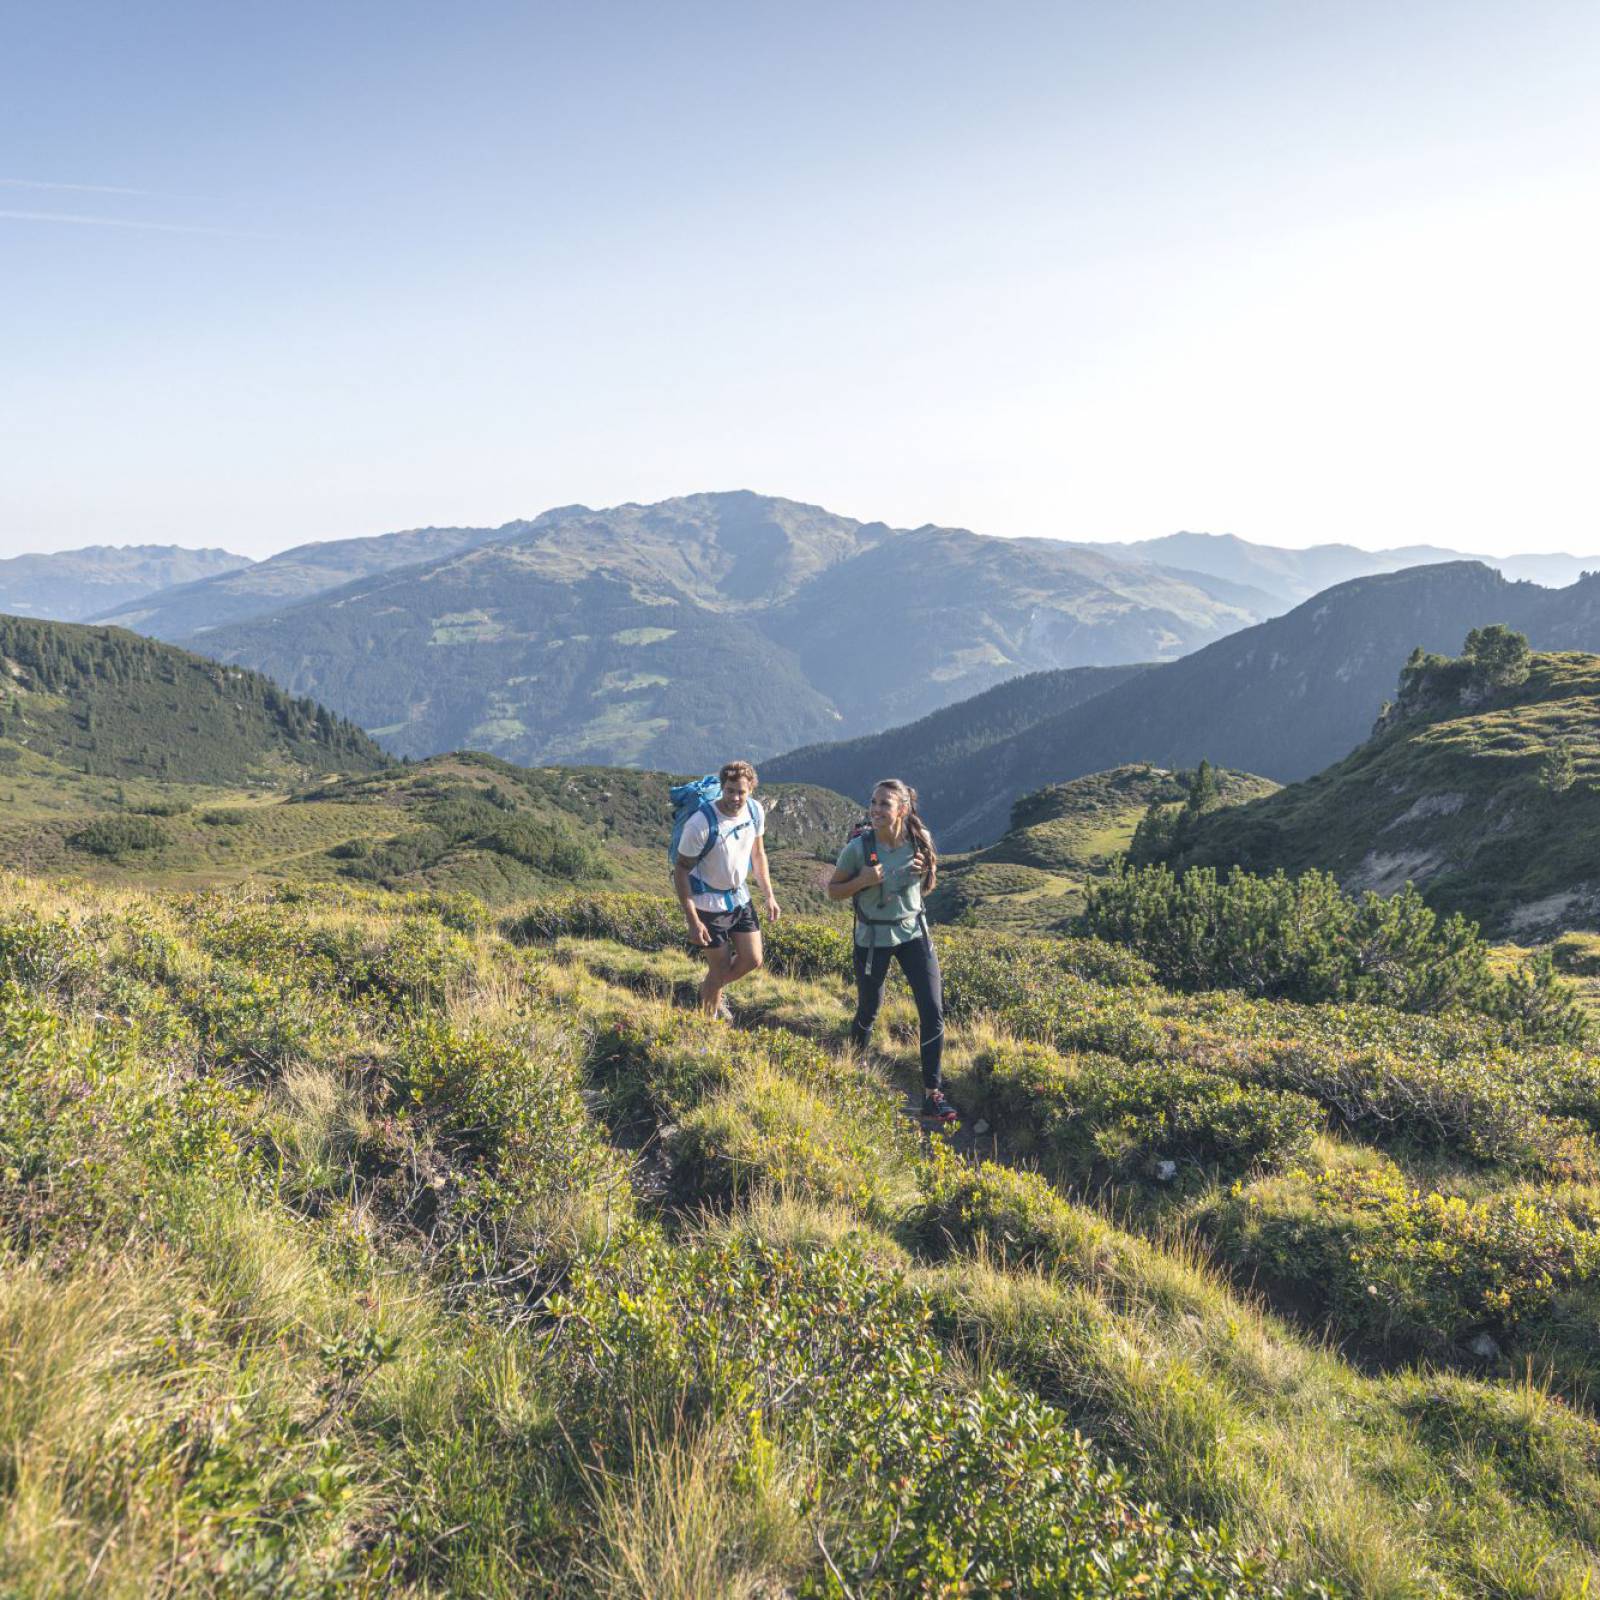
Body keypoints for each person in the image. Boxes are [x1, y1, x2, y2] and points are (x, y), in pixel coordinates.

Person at [826, 778, 956, 1124]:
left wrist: (927, 869)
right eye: (873, 802)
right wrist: (863, 880)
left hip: (914, 933)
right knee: (869, 1008)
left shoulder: (920, 841)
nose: (876, 809)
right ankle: (851, 1072)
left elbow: (930, 883)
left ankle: (933, 1094)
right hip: (872, 939)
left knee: (932, 1010)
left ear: (902, 809)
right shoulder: (858, 849)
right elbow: (834, 891)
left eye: (885, 804)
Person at [673, 759, 780, 1018]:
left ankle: (709, 989)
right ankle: (708, 1022)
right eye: (730, 790)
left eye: (741, 791)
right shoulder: (700, 824)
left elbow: (758, 854)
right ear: (723, 787)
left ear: (751, 789)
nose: (735, 797)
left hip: (739, 897)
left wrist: (769, 895)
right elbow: (681, 871)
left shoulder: (754, 811)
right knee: (719, 968)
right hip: (708, 903)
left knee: (753, 959)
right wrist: (693, 921)